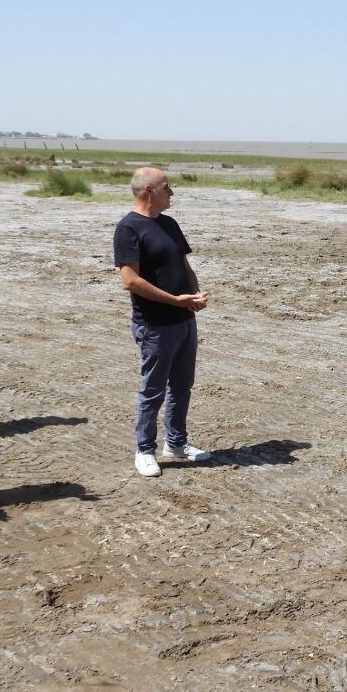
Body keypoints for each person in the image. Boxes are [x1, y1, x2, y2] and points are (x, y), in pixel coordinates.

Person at [114, 168, 211, 477]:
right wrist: (175, 300)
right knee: (153, 390)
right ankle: (144, 450)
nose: (172, 193)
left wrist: (194, 294)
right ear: (148, 190)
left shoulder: (169, 224)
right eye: (167, 187)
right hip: (155, 324)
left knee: (182, 387)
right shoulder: (128, 229)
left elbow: (184, 264)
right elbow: (130, 281)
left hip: (184, 320)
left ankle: (177, 444)